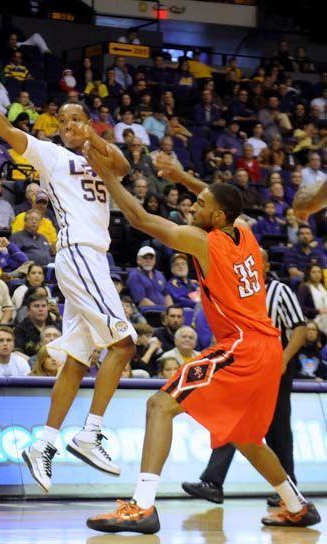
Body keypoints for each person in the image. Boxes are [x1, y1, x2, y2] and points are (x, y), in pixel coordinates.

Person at [81, 148, 320, 533]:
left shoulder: (204, 242)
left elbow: (139, 218)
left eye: (201, 204)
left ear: (218, 216)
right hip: (267, 348)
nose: (194, 205)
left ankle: (142, 506)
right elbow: (218, 194)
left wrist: (106, 175)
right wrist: (180, 176)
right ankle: (296, 505)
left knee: (160, 405)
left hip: (241, 346)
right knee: (244, 435)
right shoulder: (245, 232)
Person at [0, 90, 136, 493]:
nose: (67, 127)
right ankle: (91, 433)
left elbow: (124, 165)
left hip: (94, 259)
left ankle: (44, 444)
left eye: (75, 120)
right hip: (79, 253)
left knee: (79, 361)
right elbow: (10, 132)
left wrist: (94, 139)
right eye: (62, 122)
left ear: (88, 123)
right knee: (124, 343)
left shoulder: (99, 159)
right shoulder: (51, 155)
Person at [182, 248, 307, 506]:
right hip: (245, 365)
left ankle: (289, 490)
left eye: (254, 260)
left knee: (278, 428)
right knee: (231, 420)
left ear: (265, 265)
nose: (248, 263)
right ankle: (213, 482)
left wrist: (283, 361)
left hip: (275, 364)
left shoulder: (279, 291)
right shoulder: (238, 293)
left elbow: (300, 329)